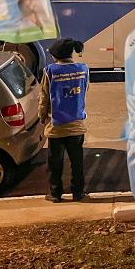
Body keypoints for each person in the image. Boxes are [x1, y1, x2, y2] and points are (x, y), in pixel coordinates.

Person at [40, 38, 89, 203]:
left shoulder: (50, 71)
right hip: (76, 125)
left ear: (56, 56)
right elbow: (84, 90)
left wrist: (42, 117)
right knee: (77, 162)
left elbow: (44, 98)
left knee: (55, 163)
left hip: (56, 127)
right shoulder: (83, 69)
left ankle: (55, 194)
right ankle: (78, 193)